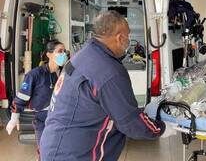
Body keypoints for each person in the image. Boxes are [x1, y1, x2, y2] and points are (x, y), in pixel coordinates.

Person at [40, 11, 165, 161]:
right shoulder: (109, 72)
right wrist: (161, 128)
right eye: (128, 36)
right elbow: (130, 123)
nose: (128, 41)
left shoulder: (83, 54)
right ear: (120, 38)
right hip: (76, 154)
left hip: (53, 145)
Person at [6, 40, 67, 149]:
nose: (64, 54)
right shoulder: (35, 75)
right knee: (44, 149)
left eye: (65, 52)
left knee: (61, 148)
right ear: (49, 54)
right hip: (42, 118)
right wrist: (14, 119)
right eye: (60, 51)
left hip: (61, 116)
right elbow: (22, 97)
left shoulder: (66, 73)